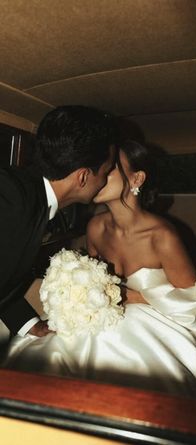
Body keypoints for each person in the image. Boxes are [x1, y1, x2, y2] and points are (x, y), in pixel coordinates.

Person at [1, 140, 196, 402]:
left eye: (111, 167)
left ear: (136, 179)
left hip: (155, 321)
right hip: (103, 317)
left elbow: (195, 302)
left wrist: (132, 297)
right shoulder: (96, 228)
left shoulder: (161, 235)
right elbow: (94, 281)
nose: (99, 171)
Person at [0, 105, 118, 338]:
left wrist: (28, 324)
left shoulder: (29, 197)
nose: (105, 180)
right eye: (105, 172)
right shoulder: (11, 198)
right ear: (83, 176)